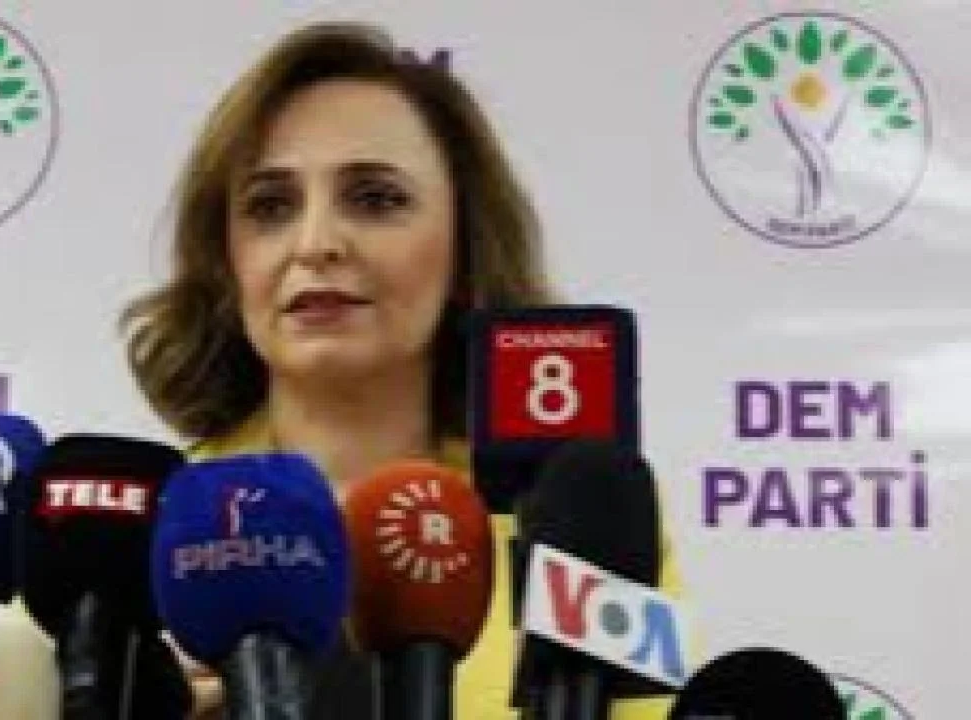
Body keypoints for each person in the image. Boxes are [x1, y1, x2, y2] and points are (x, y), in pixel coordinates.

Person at [121, 20, 684, 719]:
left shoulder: (575, 529)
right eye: (270, 207)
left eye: (375, 199)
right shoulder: (132, 537)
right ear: (225, 259)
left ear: (465, 247)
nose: (316, 244)